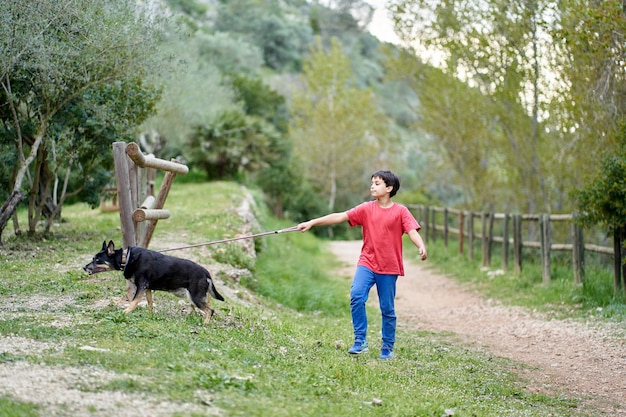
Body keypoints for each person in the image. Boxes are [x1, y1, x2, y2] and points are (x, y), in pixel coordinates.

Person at [296, 170, 427, 360]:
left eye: (377, 183)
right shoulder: (366, 208)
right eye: (372, 183)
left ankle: (387, 347)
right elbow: (340, 216)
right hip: (367, 262)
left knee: (387, 308)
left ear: (389, 188)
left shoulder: (401, 211)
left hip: (389, 266)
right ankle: (360, 341)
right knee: (356, 296)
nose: (372, 186)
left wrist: (421, 245)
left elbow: (412, 231)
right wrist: (312, 222)